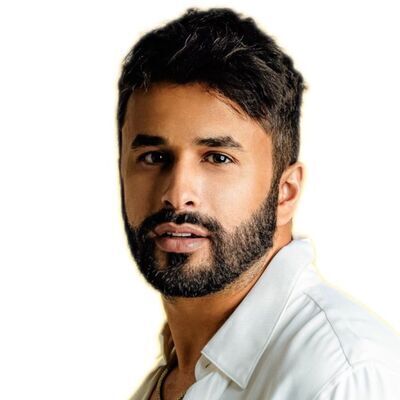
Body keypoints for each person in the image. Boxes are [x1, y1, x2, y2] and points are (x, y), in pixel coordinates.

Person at [117, 7, 400, 400]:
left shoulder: (340, 377)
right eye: (153, 157)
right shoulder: (170, 379)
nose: (177, 194)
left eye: (218, 158)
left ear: (286, 192)